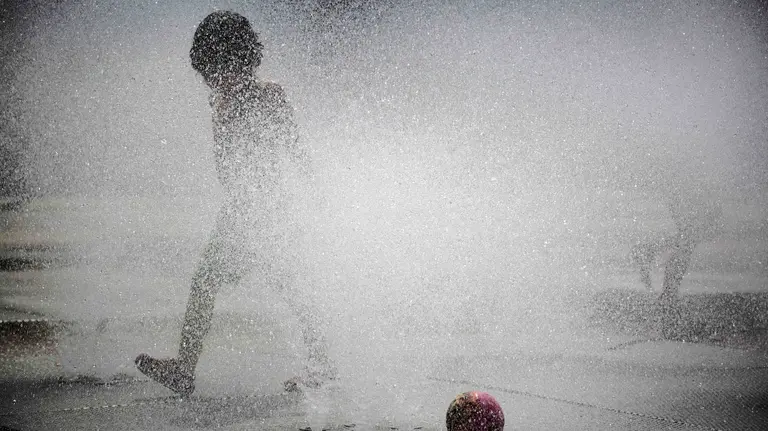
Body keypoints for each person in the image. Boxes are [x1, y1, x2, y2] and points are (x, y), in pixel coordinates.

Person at [135, 11, 335, 396]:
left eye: (219, 69)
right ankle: (185, 367)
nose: (213, 80)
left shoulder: (268, 95)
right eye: (209, 73)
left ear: (241, 61)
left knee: (286, 286)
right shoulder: (227, 100)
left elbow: (293, 152)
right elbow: (228, 172)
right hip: (245, 211)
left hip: (266, 210)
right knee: (237, 284)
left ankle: (318, 365)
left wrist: (312, 193)